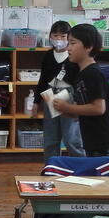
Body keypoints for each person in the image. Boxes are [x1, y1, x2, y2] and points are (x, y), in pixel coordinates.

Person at [53, 24, 109, 158]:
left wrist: (68, 107)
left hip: (105, 142)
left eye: (72, 43)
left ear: (89, 46)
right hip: (93, 141)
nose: (68, 48)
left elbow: (98, 108)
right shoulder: (81, 73)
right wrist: (68, 112)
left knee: (102, 172)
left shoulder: (93, 73)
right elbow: (85, 108)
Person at [34, 21, 84, 161]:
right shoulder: (48, 55)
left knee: (71, 138)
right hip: (50, 95)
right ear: (50, 36)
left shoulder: (73, 56)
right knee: (50, 138)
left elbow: (78, 82)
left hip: (69, 97)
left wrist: (78, 103)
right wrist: (36, 101)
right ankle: (52, 168)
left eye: (63, 36)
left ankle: (81, 166)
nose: (59, 39)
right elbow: (43, 79)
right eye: (55, 36)